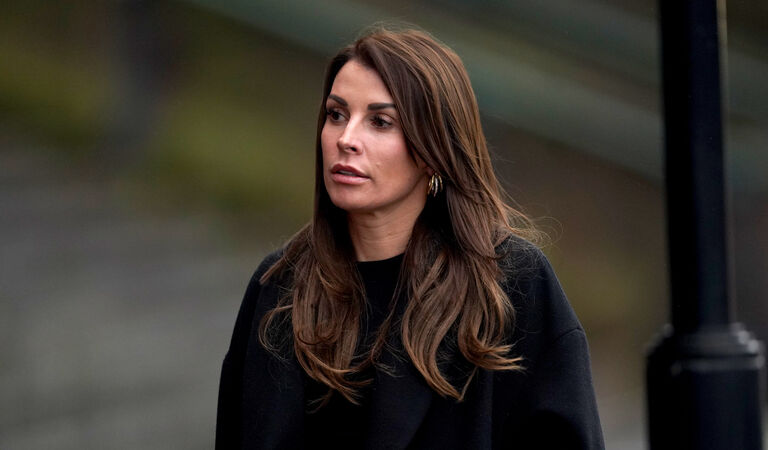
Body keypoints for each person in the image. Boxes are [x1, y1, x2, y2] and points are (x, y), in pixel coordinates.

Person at [216, 27, 604, 449]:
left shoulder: (510, 284)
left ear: (432, 150)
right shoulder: (280, 287)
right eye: (336, 115)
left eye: (381, 122)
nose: (346, 140)